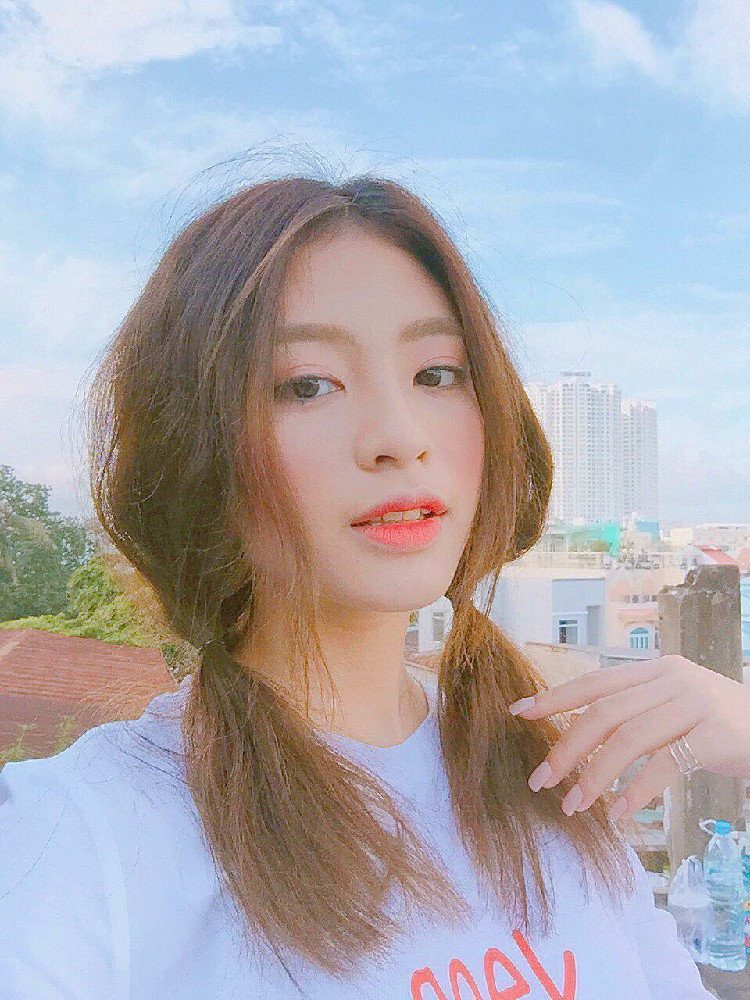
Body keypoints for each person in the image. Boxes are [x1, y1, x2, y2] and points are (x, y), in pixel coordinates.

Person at [0, 172, 721, 999]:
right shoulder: (83, 839)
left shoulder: (548, 774)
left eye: (438, 373)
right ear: (196, 448)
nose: (399, 436)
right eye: (308, 385)